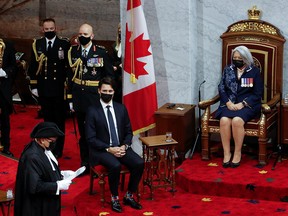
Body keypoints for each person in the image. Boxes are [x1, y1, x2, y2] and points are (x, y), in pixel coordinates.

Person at [85, 77, 144, 213]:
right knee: (115, 165)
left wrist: (124, 146)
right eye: (104, 90)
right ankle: (114, 198)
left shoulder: (121, 108)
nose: (107, 93)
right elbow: (90, 138)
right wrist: (109, 149)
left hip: (120, 147)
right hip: (102, 150)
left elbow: (129, 132)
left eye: (110, 91)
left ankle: (129, 195)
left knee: (139, 163)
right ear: (99, 91)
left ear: (114, 92)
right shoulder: (92, 111)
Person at [67, 23, 114, 173]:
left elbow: (109, 76)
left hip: (95, 99)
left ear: (92, 36)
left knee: (97, 132)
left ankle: (99, 162)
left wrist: (105, 95)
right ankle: (85, 163)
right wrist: (70, 99)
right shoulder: (73, 51)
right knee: (83, 134)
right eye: (80, 34)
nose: (82, 37)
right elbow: (69, 77)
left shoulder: (100, 52)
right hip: (79, 98)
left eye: (85, 35)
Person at [215, 45, 264, 168]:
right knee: (224, 120)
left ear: (246, 58)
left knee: (237, 121)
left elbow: (258, 93)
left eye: (239, 58)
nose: (236, 60)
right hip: (229, 104)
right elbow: (221, 88)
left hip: (248, 105)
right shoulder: (228, 69)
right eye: (234, 57)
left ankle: (237, 152)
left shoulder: (254, 71)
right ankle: (227, 153)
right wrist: (228, 102)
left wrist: (242, 104)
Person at [29, 18, 71, 158]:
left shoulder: (63, 44)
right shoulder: (37, 44)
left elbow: (68, 67)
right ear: (42, 30)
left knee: (59, 121)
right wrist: (34, 85)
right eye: (46, 29)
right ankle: (48, 147)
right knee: (47, 120)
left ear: (56, 28)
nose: (49, 31)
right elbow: (33, 66)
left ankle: (58, 149)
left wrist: (69, 90)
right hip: (44, 89)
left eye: (51, 29)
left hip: (59, 90)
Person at [14, 122, 73, 216]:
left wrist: (60, 174)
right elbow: (35, 186)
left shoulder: (42, 148)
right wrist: (57, 186)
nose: (54, 143)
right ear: (41, 139)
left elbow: (44, 170)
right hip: (37, 207)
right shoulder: (32, 156)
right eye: (51, 141)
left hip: (45, 203)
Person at [0, 38, 17, 157]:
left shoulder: (7, 45)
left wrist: (5, 72)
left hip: (2, 90)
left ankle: (5, 147)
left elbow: (14, 67)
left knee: (4, 120)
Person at [111, 23, 123, 103]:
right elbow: (113, 60)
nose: (120, 33)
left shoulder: (131, 46)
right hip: (117, 74)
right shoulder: (114, 45)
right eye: (119, 32)